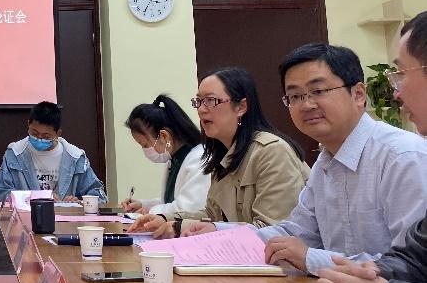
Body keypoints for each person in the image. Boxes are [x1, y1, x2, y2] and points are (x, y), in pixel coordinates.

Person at [254, 43, 427, 274]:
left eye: (318, 91)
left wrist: (311, 259)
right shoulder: (325, 162)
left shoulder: (403, 157)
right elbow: (296, 232)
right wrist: (220, 236)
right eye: (295, 96)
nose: (306, 105)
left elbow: (410, 266)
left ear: (358, 94)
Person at [315, 12, 427, 283]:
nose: (396, 93)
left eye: (401, 74)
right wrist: (368, 272)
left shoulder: (404, 153)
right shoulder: (323, 161)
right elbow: (418, 257)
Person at [130, 67, 308, 238]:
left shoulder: (272, 152)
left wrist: (186, 226)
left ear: (241, 107)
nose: (201, 109)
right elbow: (212, 214)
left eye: (211, 100)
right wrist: (165, 218)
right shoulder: (222, 153)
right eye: (198, 101)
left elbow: (273, 231)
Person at [0, 101, 105, 203]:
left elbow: (98, 195)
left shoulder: (75, 157)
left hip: (66, 216)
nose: (39, 139)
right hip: (27, 216)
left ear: (58, 133)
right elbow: (2, 193)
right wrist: (35, 197)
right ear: (28, 125)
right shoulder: (15, 154)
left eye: (46, 136)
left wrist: (80, 202)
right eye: (34, 133)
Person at [120, 95, 207, 218]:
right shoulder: (175, 160)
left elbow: (189, 209)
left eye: (145, 145)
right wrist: (143, 205)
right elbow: (171, 202)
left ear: (164, 136)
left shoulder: (199, 159)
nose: (145, 150)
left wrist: (149, 211)